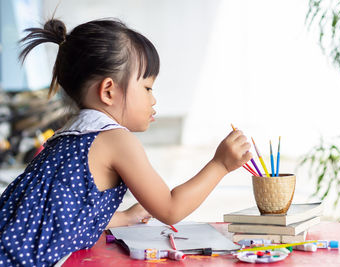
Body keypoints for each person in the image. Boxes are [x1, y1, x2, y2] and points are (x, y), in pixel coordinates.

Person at [0, 18, 252, 266]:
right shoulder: (116, 139)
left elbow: (63, 219)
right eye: (148, 88)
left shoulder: (66, 136)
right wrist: (220, 164)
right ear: (109, 91)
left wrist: (126, 217)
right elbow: (171, 209)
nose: (153, 100)